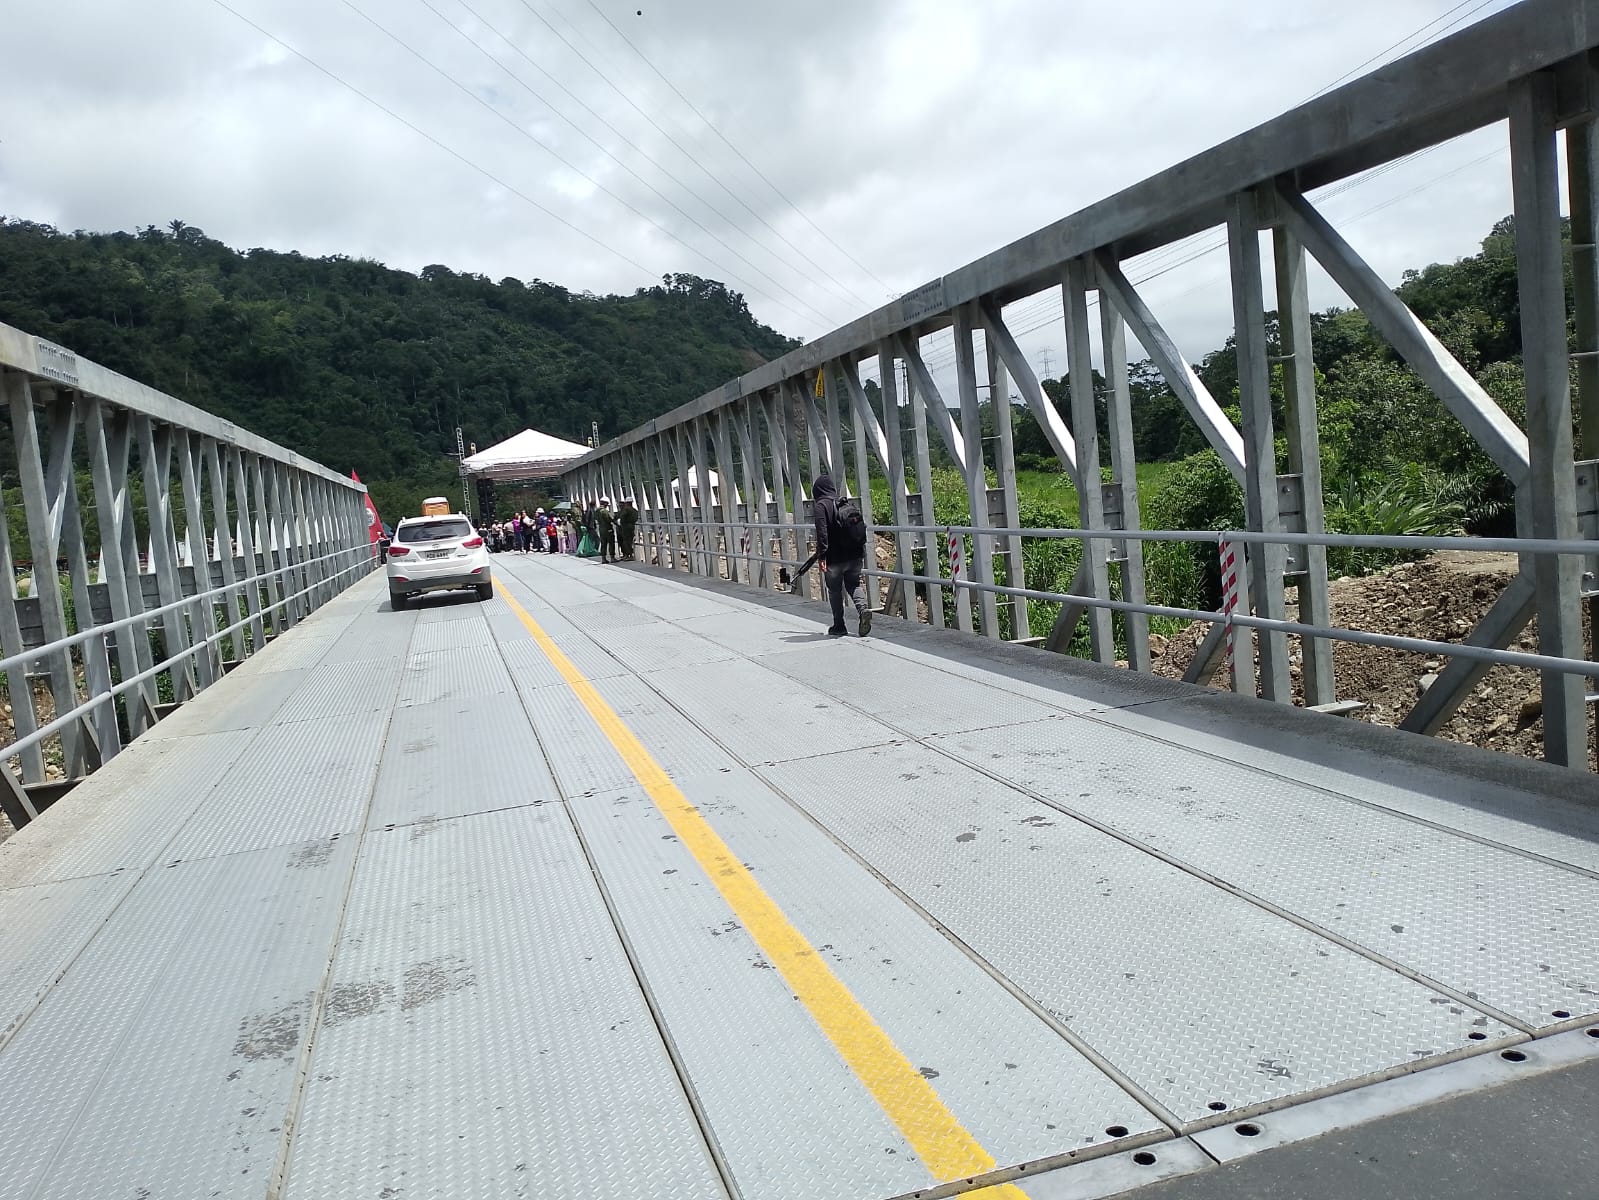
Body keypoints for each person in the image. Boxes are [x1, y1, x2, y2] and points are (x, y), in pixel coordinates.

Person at [811, 474, 870, 637]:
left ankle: (839, 625)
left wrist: (822, 557)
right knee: (854, 585)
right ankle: (863, 609)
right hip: (855, 555)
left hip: (835, 559)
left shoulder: (821, 506)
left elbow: (822, 534)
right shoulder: (845, 503)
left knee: (835, 590)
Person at [596, 498, 618, 564]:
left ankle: (603, 558)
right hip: (608, 529)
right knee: (611, 543)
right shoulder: (604, 511)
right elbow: (609, 519)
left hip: (601, 529)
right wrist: (615, 521)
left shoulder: (597, 511)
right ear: (605, 503)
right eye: (607, 504)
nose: (607, 505)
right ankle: (612, 557)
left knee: (603, 543)